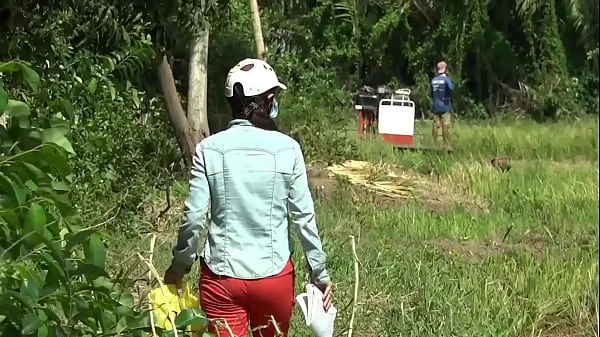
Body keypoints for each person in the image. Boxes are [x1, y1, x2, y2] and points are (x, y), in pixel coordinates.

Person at [163, 58, 334, 337]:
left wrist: (178, 267)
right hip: (274, 280)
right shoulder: (288, 149)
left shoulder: (208, 150)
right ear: (267, 101)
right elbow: (303, 218)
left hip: (221, 280)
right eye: (274, 98)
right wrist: (320, 274)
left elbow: (194, 218)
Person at [430, 61, 454, 151]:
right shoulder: (446, 79)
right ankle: (446, 146)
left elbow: (431, 93)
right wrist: (447, 96)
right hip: (445, 105)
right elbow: (451, 88)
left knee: (436, 125)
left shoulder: (433, 80)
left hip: (436, 106)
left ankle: (435, 144)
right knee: (446, 126)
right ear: (446, 69)